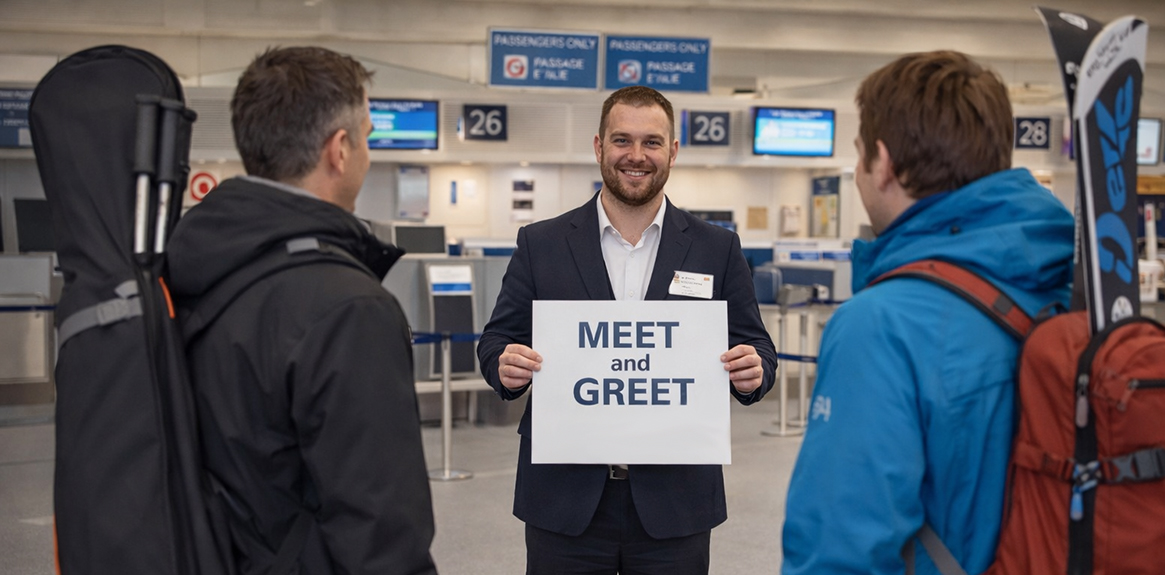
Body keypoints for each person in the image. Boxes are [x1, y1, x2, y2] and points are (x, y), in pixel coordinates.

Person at [780, 50, 1075, 574]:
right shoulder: (1067, 285)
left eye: (858, 155)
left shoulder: (882, 325)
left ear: (884, 162)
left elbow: (841, 546)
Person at [477, 85, 777, 574]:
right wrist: (504, 365)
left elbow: (757, 345)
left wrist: (755, 369)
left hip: (674, 502)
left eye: (652, 142)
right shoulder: (542, 243)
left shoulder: (715, 249)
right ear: (599, 147)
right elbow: (495, 340)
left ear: (673, 152)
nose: (636, 156)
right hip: (564, 499)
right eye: (622, 140)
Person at [166, 47, 437, 575]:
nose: (366, 150)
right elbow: (380, 530)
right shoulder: (347, 307)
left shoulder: (187, 260)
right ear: (339, 149)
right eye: (367, 133)